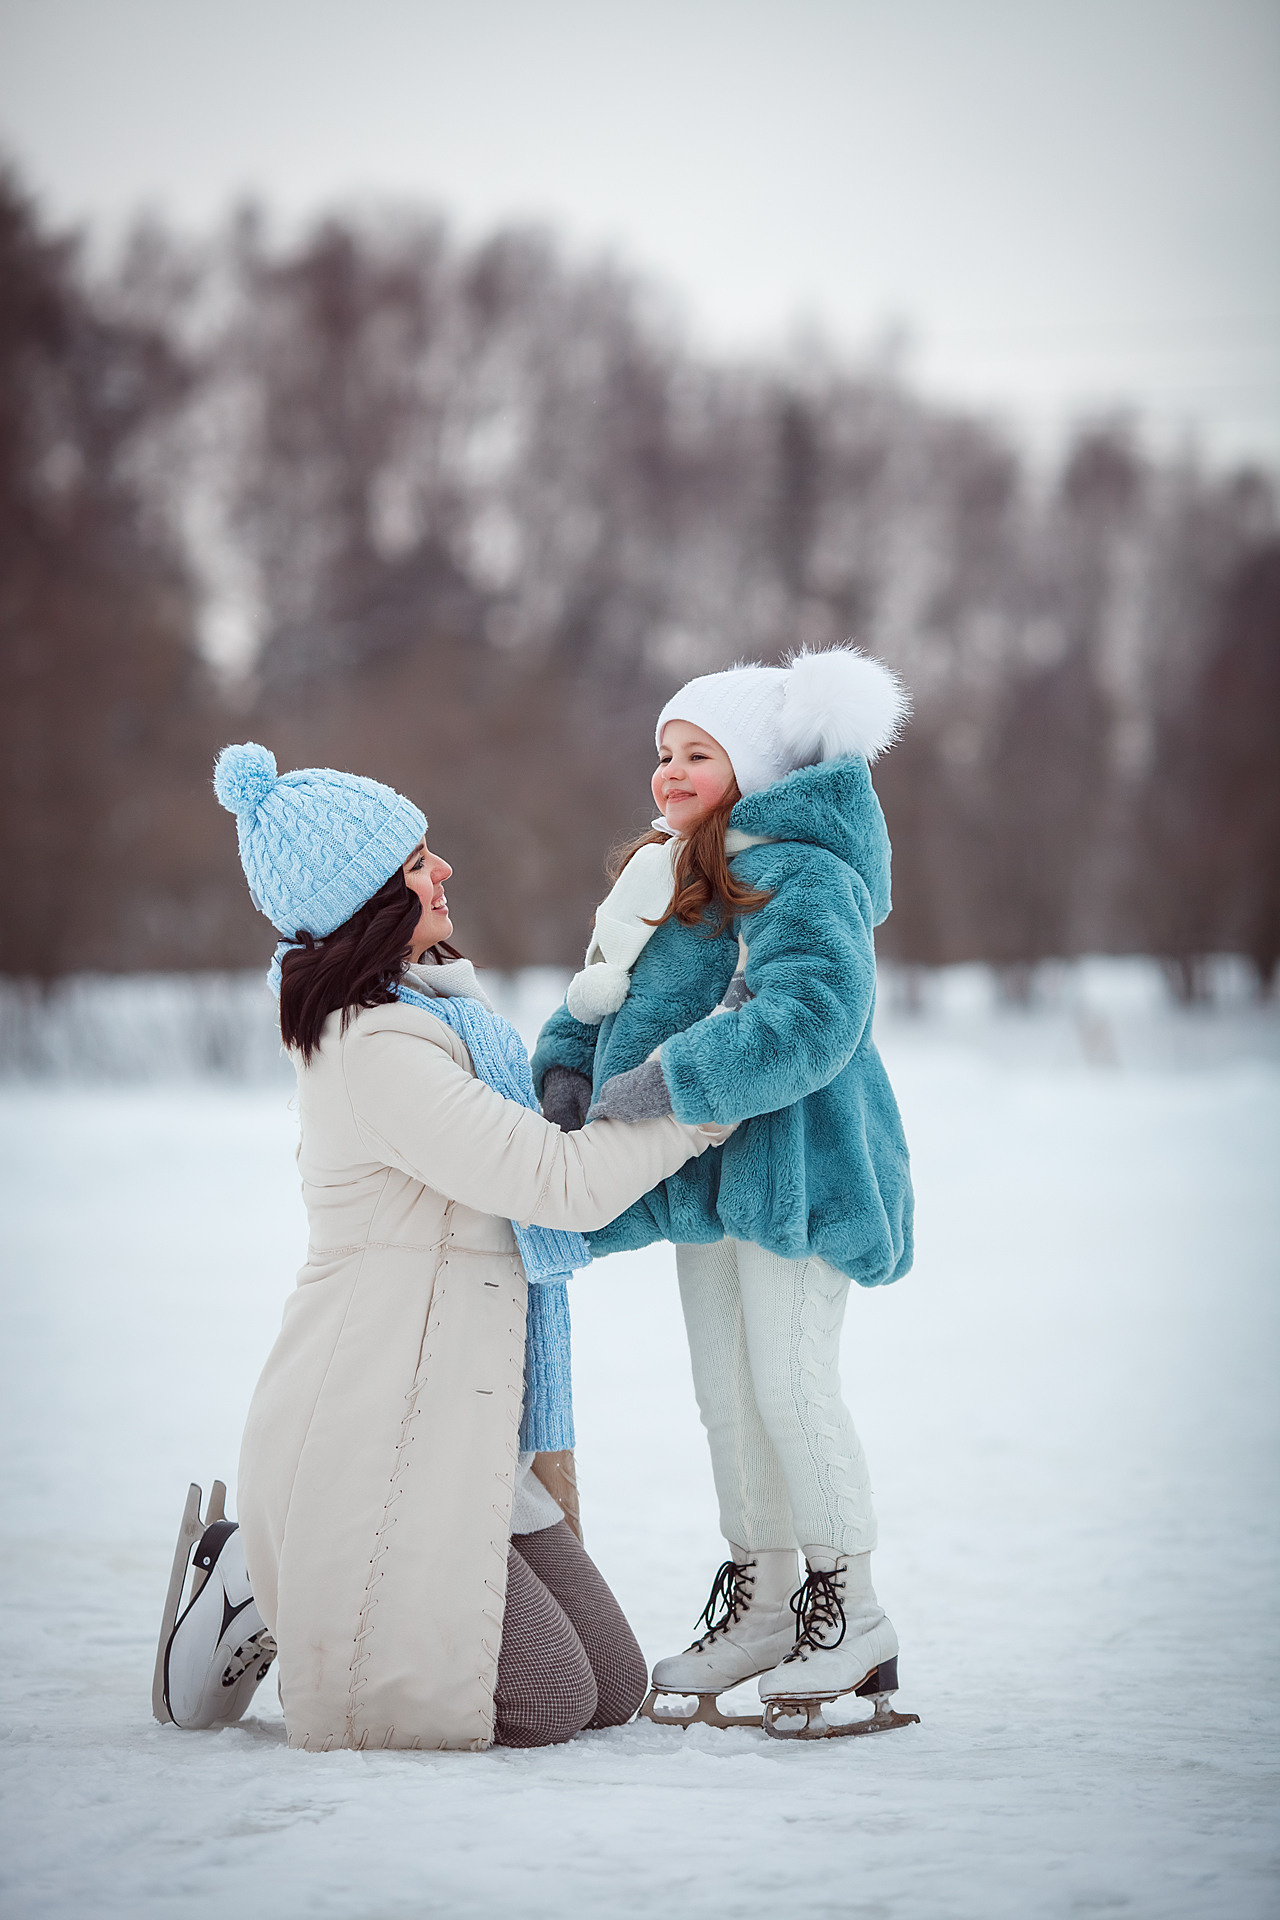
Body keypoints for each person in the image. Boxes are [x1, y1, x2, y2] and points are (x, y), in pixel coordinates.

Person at [162, 741, 727, 1753]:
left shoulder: (440, 1020)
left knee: (609, 1683)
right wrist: (705, 1092)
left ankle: (281, 1571)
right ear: (371, 898)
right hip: (371, 1431)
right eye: (419, 860)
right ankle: (264, 1573)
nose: (443, 870)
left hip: (455, 1417)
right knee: (545, 1701)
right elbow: (557, 1181)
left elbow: (545, 1161)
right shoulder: (376, 1050)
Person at [531, 647, 916, 1735]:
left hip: (796, 1170)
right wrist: (565, 1066)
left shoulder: (805, 871)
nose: (669, 770)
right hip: (699, 1170)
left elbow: (813, 1015)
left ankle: (852, 1609)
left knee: (790, 1387)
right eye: (662, 751)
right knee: (726, 1394)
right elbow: (604, 996)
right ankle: (761, 1595)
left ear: (754, 765)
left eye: (696, 752)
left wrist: (677, 1080)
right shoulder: (663, 871)